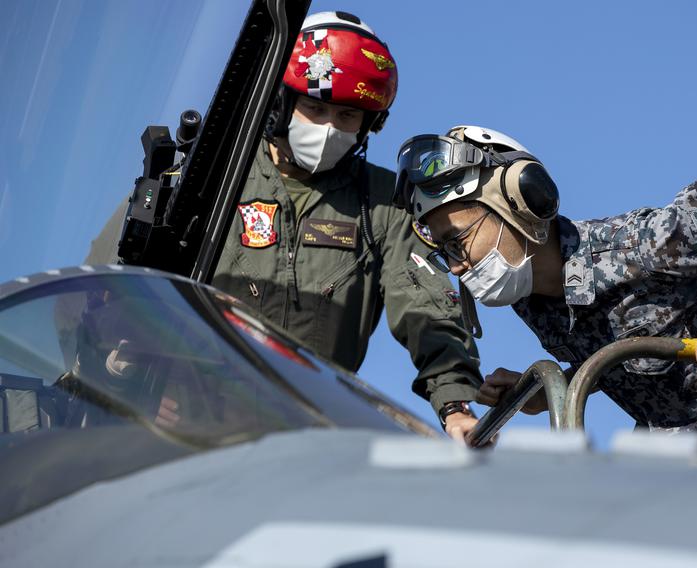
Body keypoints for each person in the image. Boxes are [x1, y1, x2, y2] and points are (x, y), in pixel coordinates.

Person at [85, 12, 482, 439]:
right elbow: (100, 293)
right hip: (175, 431)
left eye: (347, 116)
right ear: (281, 103)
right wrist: (126, 377)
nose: (329, 128)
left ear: (369, 124)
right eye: (315, 107)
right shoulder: (211, 173)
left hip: (300, 438)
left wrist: (454, 405)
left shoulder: (384, 204)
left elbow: (426, 309)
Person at [393, 125, 697, 473]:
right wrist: (547, 391)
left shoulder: (644, 246)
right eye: (444, 252)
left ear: (519, 203)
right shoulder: (531, 297)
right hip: (690, 492)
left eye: (458, 241)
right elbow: (625, 356)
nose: (455, 266)